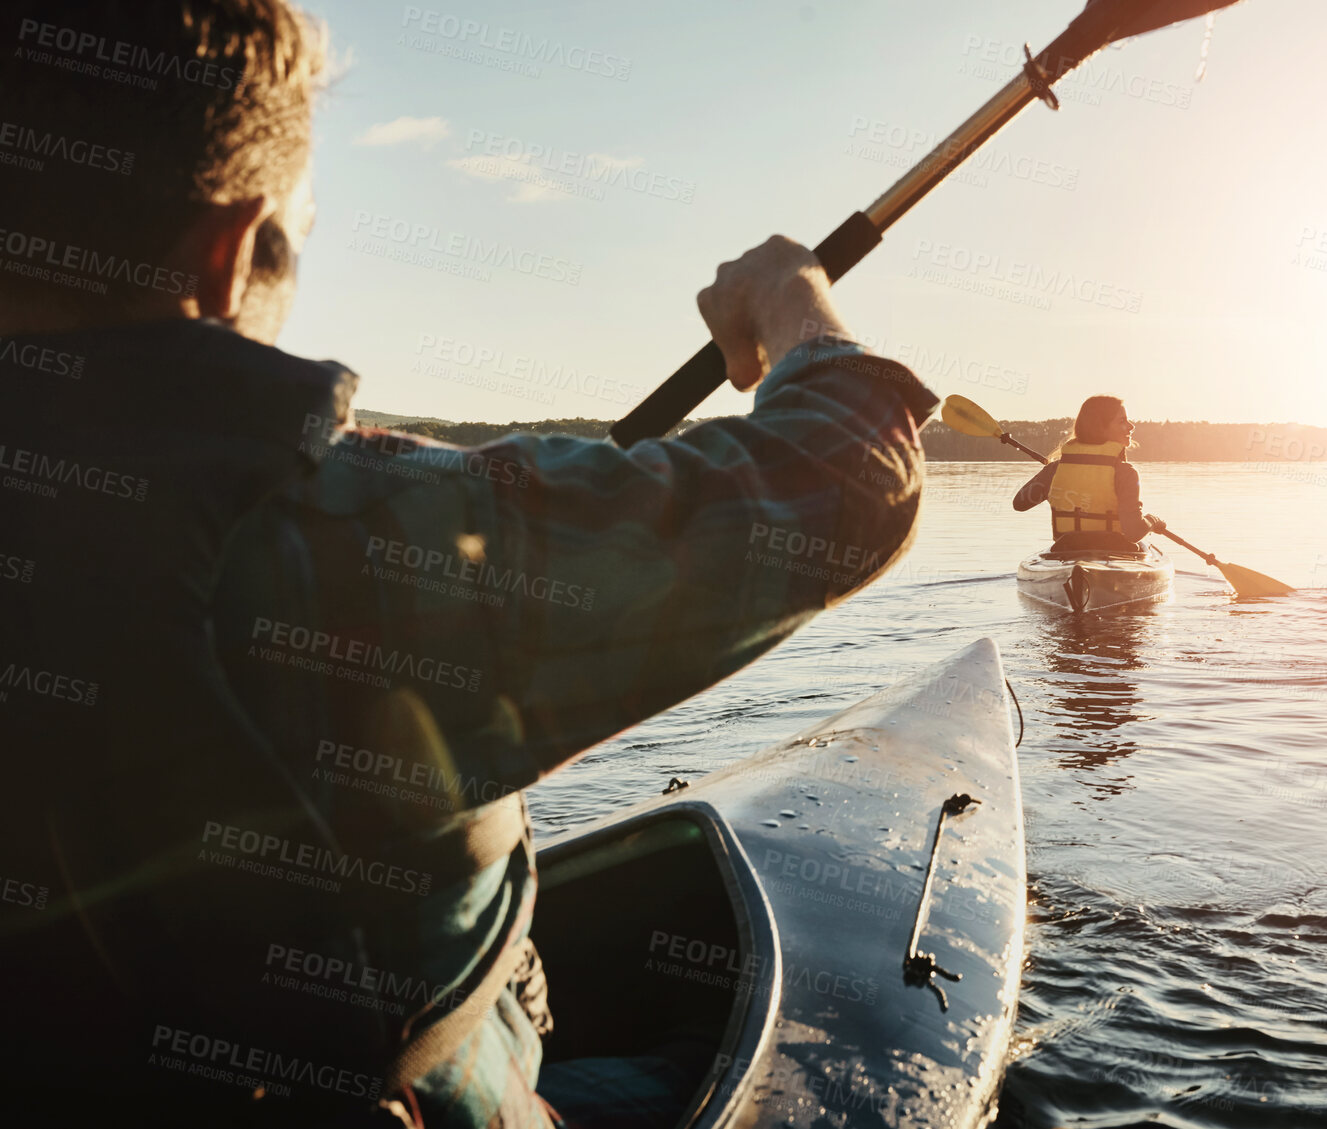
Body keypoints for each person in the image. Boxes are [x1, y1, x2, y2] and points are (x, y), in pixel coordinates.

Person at [0, 2, 935, 1125]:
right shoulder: (354, 533)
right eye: (292, 245)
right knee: (708, 1050)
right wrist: (790, 296)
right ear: (233, 250)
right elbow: (847, 480)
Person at [1012, 395, 1155, 552]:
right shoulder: (1125, 473)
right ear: (1100, 427)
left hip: (1066, 551)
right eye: (1122, 421)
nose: (1131, 426)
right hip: (1114, 553)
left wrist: (1049, 482)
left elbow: (1020, 503)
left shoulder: (1055, 470)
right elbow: (1134, 532)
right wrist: (1152, 521)